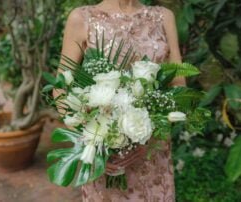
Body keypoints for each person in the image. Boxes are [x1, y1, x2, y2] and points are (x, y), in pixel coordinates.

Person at [59, 0, 186, 201]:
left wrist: (148, 138)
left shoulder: (164, 17)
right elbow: (61, 89)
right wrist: (96, 143)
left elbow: (178, 83)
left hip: (153, 153)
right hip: (106, 159)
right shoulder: (82, 18)